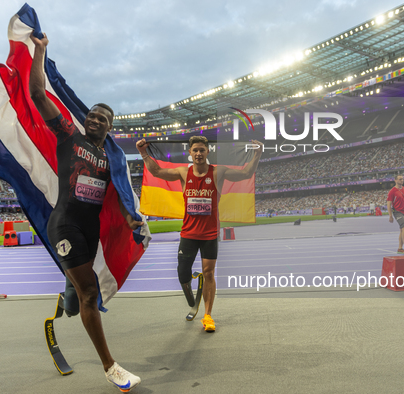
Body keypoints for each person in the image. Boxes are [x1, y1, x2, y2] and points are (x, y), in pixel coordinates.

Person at [29, 33, 143, 392]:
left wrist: (131, 219)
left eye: (102, 118)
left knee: (78, 304)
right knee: (91, 294)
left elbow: (118, 199)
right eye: (92, 115)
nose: (94, 119)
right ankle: (111, 368)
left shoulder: (111, 160)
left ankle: (69, 291)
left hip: (90, 230)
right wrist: (40, 50)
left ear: (110, 128)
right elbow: (36, 95)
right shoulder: (69, 137)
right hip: (64, 224)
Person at [137, 136, 262, 332]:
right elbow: (157, 171)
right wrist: (143, 153)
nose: (198, 153)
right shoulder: (183, 173)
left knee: (209, 273)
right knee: (182, 274)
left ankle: (208, 315)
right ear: (190, 152)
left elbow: (246, 173)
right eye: (195, 150)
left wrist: (257, 154)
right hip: (188, 233)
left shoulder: (218, 172)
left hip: (210, 234)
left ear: (207, 151)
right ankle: (190, 297)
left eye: (202, 150)